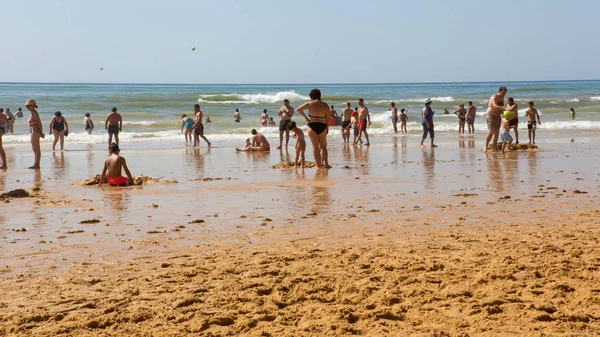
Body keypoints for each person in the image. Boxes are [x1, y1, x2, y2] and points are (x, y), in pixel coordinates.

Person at [297, 88, 331, 168]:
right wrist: (327, 128)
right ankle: (326, 164)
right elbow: (328, 118)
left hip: (312, 125)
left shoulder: (309, 103)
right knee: (323, 146)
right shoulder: (325, 105)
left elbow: (299, 109)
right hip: (322, 125)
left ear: (311, 96)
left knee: (315, 146)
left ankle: (318, 165)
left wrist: (306, 118)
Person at [484, 86, 507, 152]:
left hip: (498, 116)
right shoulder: (494, 97)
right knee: (491, 131)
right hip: (490, 115)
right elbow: (494, 106)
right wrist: (504, 108)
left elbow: (501, 107)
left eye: (505, 94)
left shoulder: (502, 98)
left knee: (496, 132)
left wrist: (504, 114)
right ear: (499, 91)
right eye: (502, 93)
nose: (504, 95)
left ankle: (494, 147)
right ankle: (486, 146)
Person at [26, 99, 44, 169]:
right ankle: (35, 164)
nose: (27, 107)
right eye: (26, 106)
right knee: (34, 148)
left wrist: (41, 132)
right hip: (33, 131)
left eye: (28, 106)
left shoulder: (35, 113)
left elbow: (39, 123)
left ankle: (37, 164)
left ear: (33, 106)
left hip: (35, 131)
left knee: (37, 148)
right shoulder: (32, 113)